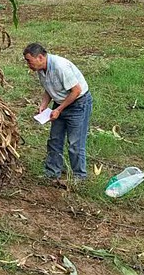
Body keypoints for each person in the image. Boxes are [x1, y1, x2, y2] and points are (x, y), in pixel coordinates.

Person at [23, 43, 92, 183]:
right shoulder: (41, 69)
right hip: (60, 103)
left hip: (77, 103)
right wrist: (43, 105)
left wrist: (59, 110)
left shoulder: (60, 67)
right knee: (55, 140)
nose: (28, 64)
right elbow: (49, 88)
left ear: (40, 57)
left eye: (29, 60)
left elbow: (76, 91)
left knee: (75, 143)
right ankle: (52, 173)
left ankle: (79, 177)